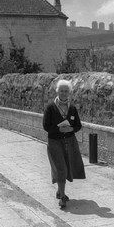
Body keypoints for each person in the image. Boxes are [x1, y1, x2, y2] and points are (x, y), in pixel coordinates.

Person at [42, 79, 85, 209]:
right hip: (55, 142)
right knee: (61, 169)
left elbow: (78, 125)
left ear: (69, 92)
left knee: (68, 167)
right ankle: (62, 197)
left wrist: (71, 129)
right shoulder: (50, 107)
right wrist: (59, 129)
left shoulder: (72, 108)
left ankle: (60, 190)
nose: (64, 93)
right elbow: (46, 126)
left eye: (66, 91)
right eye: (61, 90)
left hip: (70, 142)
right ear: (57, 91)